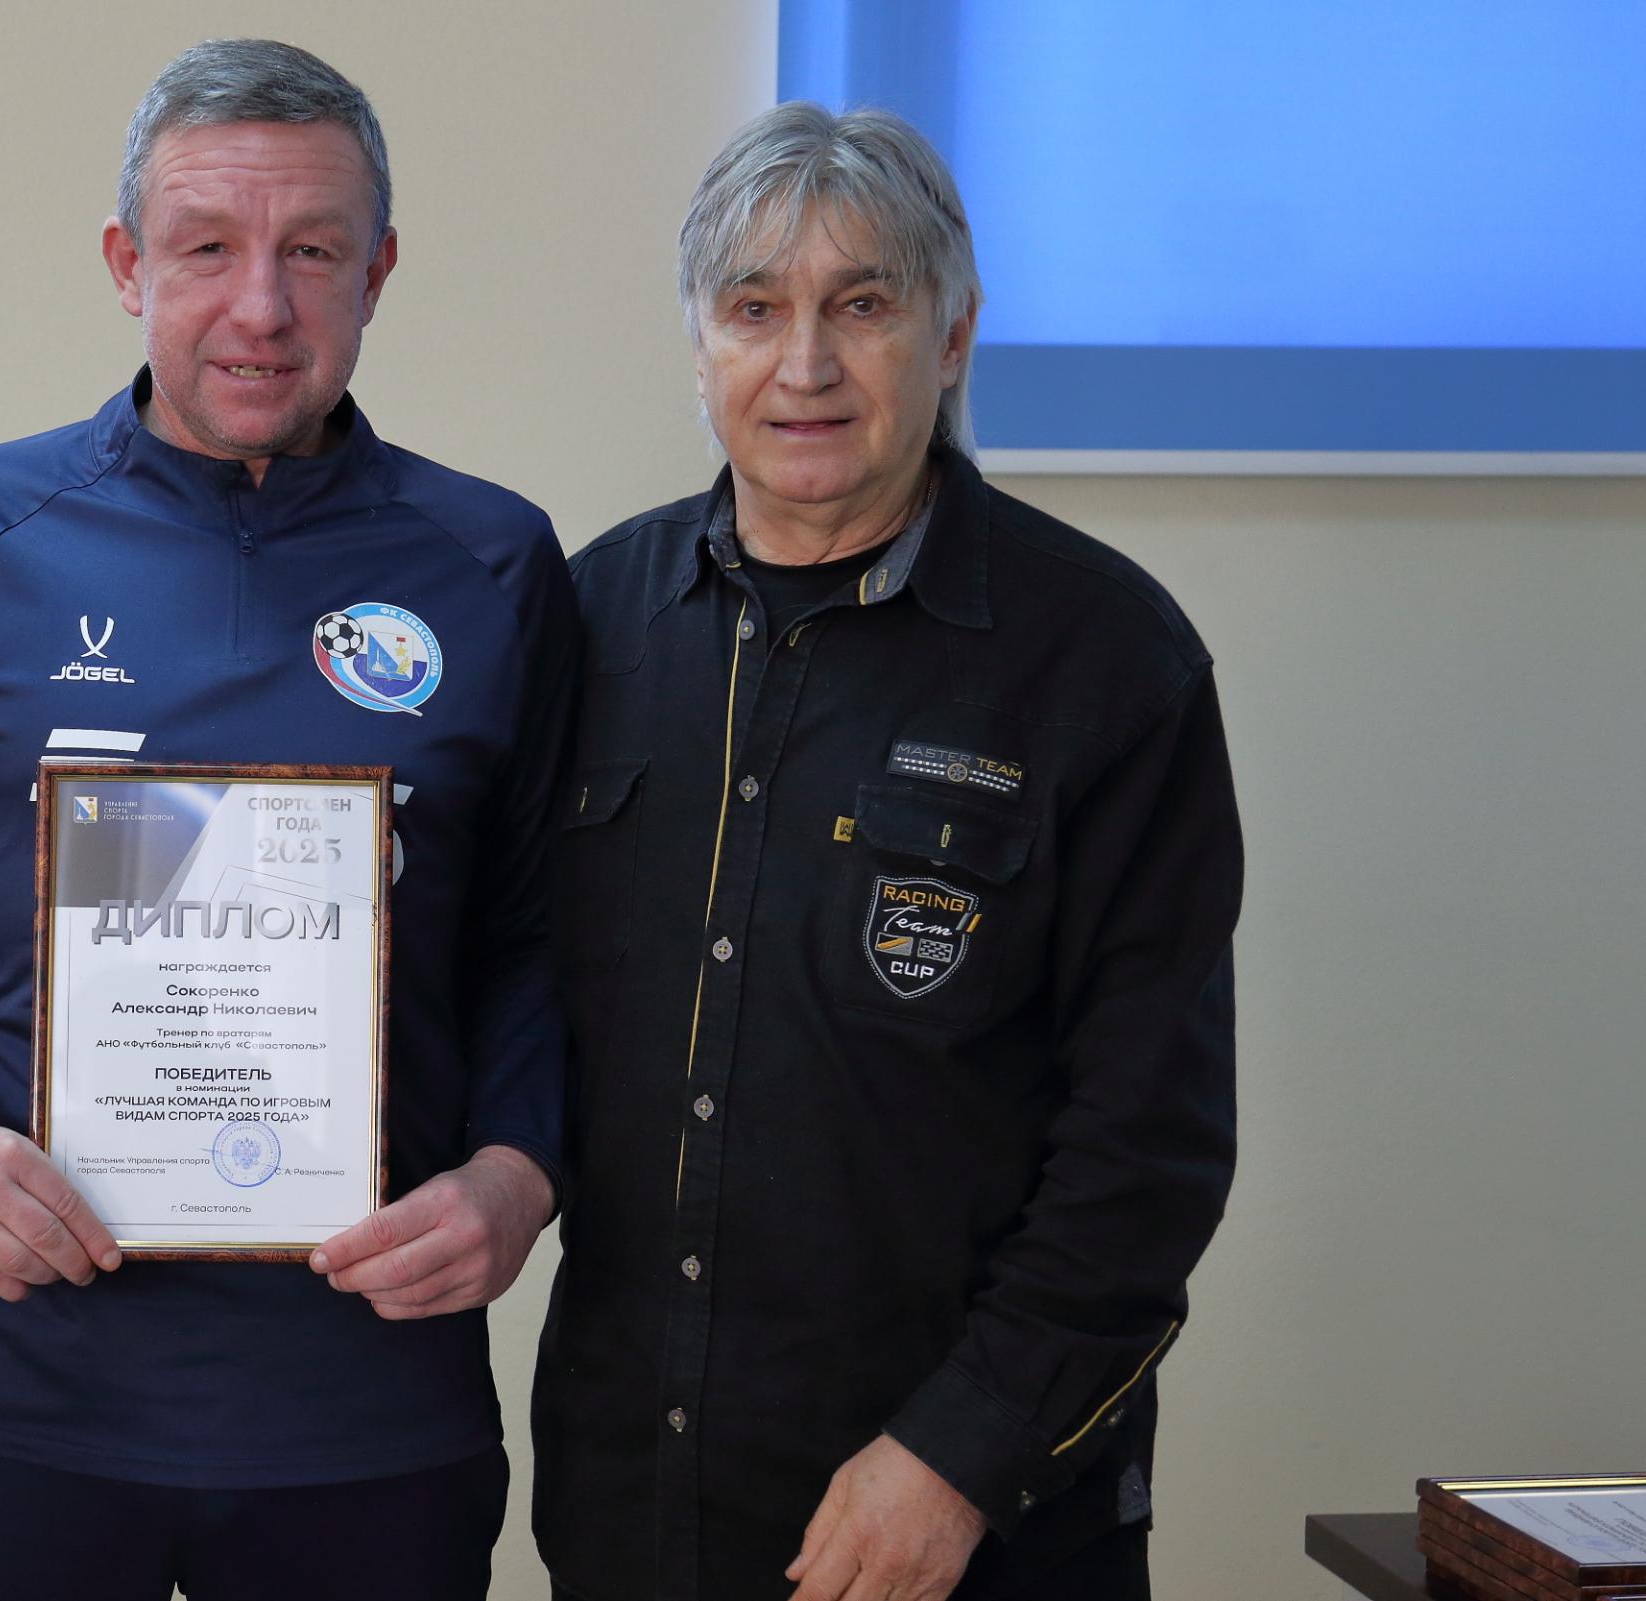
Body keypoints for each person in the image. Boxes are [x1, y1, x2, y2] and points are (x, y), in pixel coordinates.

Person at [0, 40, 574, 1601]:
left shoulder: (495, 563)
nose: (261, 305)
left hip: (363, 1414)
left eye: (312, 252)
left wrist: (519, 1172)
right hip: (4, 1401)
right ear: (124, 264)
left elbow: (540, 940)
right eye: (206, 246)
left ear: (378, 271)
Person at [527, 105, 1244, 1601]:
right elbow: (491, 1006)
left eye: (861, 306)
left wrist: (962, 1456)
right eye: (754, 310)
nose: (804, 365)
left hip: (970, 1529)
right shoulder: (584, 626)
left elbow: (1147, 1142)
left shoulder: (1108, 662)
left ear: (954, 332)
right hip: (633, 1504)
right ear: (699, 342)